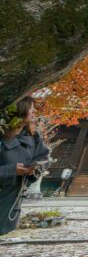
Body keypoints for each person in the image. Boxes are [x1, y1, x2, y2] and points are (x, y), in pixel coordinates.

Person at [1, 96, 51, 234]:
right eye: (31, 108)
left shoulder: (33, 137)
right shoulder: (1, 134)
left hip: (11, 198)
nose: (34, 111)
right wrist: (10, 170)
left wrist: (36, 168)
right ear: (19, 108)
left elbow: (44, 158)